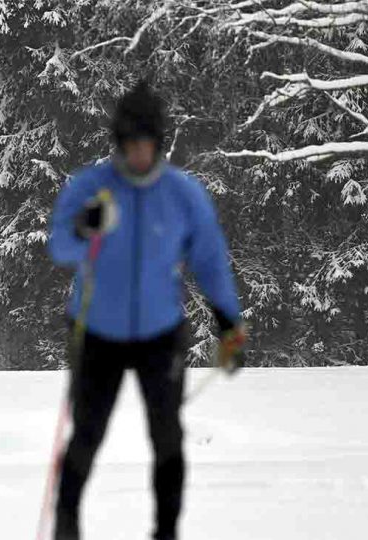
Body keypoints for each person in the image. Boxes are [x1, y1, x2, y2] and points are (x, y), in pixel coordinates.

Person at [47, 81, 247, 540]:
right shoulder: (92, 188)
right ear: (118, 144)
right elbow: (59, 246)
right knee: (87, 432)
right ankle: (66, 526)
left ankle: (166, 530)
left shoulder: (182, 194)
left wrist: (228, 321)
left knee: (167, 436)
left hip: (160, 333)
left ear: (159, 143)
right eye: (131, 145)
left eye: (148, 144)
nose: (140, 154)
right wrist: (83, 226)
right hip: (96, 331)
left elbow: (211, 261)